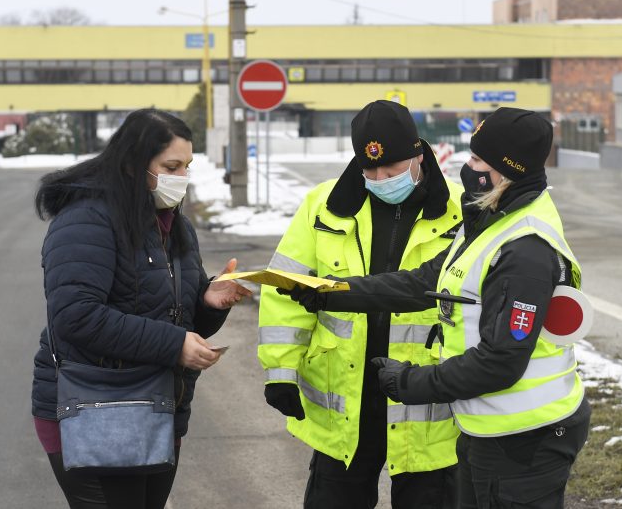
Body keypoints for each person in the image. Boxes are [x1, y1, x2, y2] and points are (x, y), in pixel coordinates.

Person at [287, 107, 591, 509]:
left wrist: (408, 383)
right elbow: (426, 281)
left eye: (479, 160)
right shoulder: (491, 218)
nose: (468, 167)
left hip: (526, 438)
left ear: (506, 169)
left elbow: (501, 360)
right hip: (489, 428)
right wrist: (335, 293)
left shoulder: (525, 250)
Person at [31, 108, 251, 509]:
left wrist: (209, 301)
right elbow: (76, 317)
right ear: (134, 165)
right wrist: (174, 345)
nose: (181, 176)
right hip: (93, 408)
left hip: (156, 407)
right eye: (171, 166)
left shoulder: (173, 223)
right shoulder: (86, 219)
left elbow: (175, 315)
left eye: (187, 166)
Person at [258, 100, 464, 508]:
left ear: (419, 155)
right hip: (346, 399)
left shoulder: (460, 211)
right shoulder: (323, 206)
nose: (379, 179)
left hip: (425, 399)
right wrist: (280, 370)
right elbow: (283, 293)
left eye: (390, 170)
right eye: (369, 170)